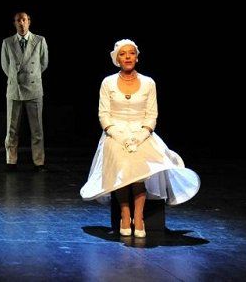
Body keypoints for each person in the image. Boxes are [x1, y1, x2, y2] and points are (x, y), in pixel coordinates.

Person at [80, 39, 200, 237]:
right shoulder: (108, 82)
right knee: (121, 162)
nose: (127, 57)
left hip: (142, 133)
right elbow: (104, 115)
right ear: (117, 59)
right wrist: (119, 136)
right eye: (123, 54)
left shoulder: (148, 83)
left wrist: (139, 137)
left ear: (136, 57)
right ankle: (125, 215)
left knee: (139, 168)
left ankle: (139, 216)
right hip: (115, 133)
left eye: (131, 53)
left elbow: (151, 116)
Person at [1, 11, 48, 170]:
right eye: (18, 20)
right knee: (11, 129)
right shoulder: (7, 42)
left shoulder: (40, 40)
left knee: (37, 129)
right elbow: (5, 65)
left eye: (24, 20)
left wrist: (31, 76)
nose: (21, 23)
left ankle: (39, 161)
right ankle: (11, 160)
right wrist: (15, 78)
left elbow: (43, 63)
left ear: (29, 21)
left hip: (34, 88)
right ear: (15, 23)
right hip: (15, 89)